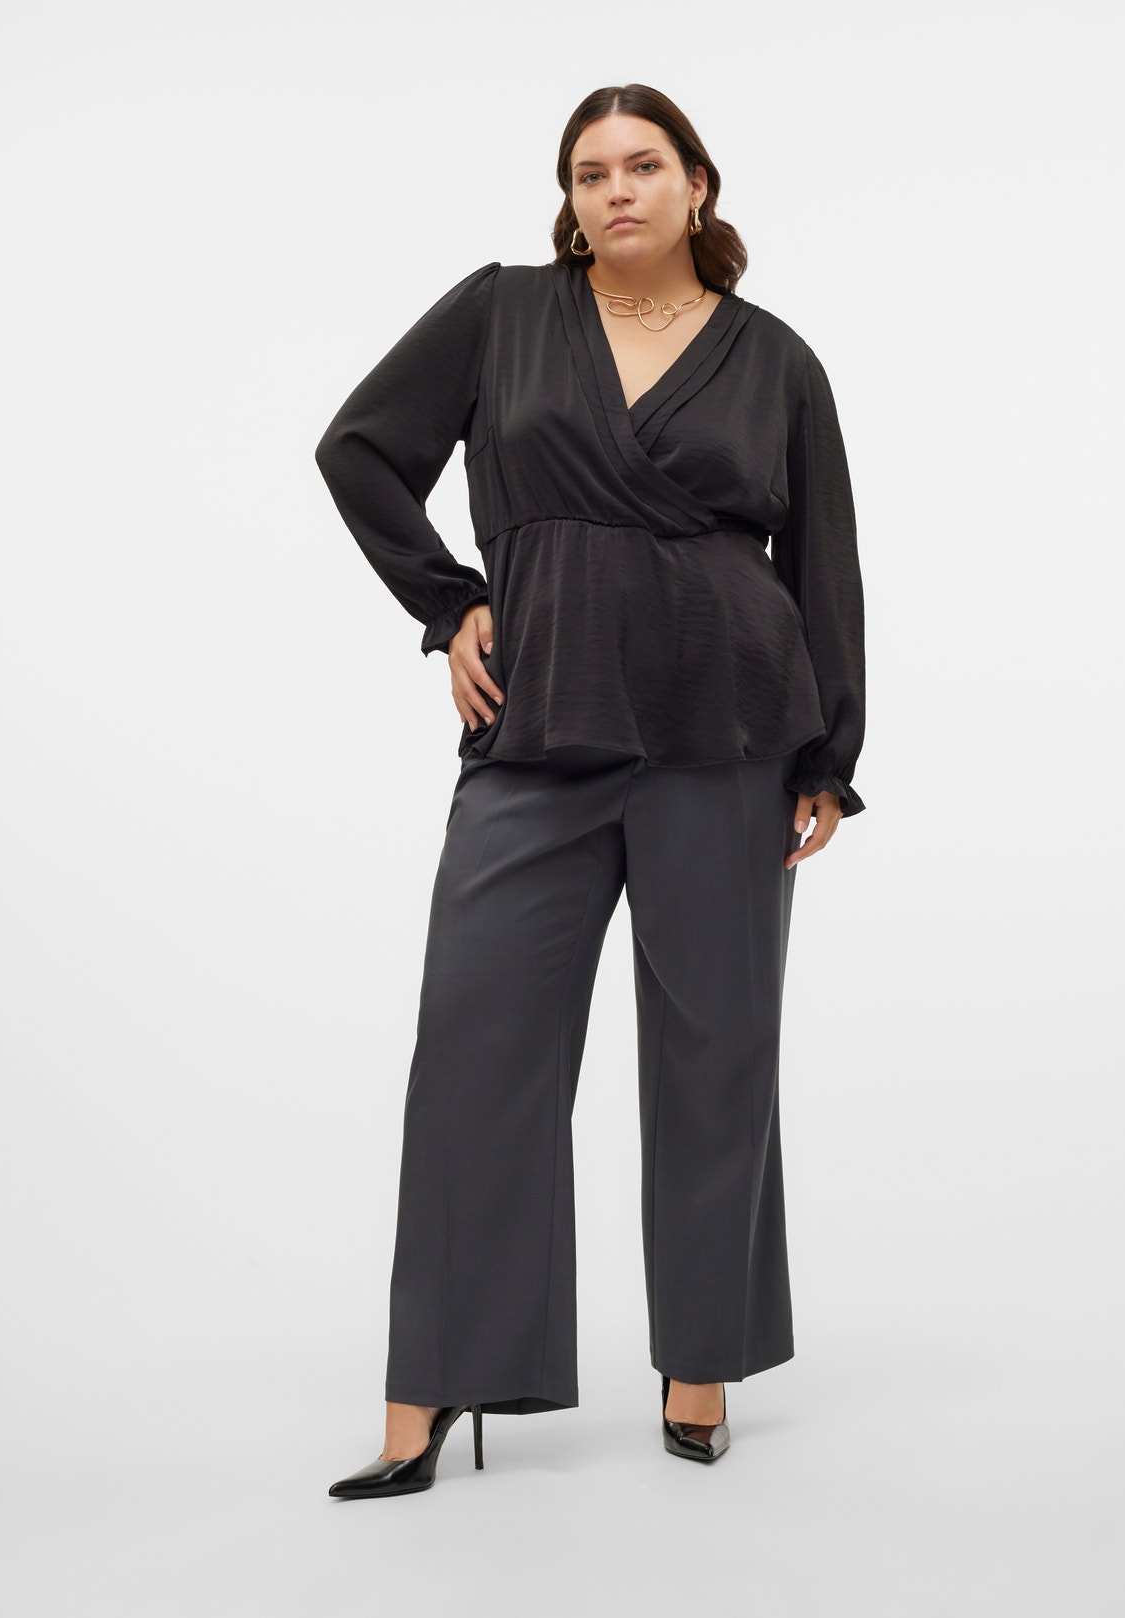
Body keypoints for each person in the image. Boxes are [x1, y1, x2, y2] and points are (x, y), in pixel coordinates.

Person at [315, 82, 867, 1499]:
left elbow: (822, 563)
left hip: (728, 734)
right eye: (588, 171)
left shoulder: (776, 359)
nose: (616, 189)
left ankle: (702, 1358)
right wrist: (450, 603)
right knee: (474, 1051)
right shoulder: (501, 314)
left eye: (643, 164)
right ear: (568, 199)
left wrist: (829, 755)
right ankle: (432, 1382)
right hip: (540, 729)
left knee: (717, 1052)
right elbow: (359, 449)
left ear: (696, 184)